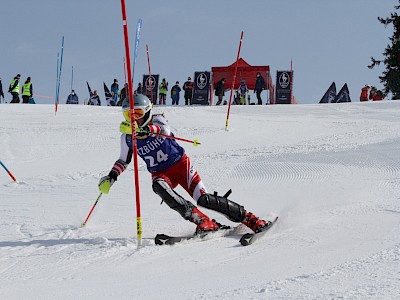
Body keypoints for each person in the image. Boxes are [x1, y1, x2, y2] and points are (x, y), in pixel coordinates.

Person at [98, 94, 273, 235]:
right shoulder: (127, 137)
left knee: (203, 199)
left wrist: (146, 130)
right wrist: (112, 176)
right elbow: (123, 160)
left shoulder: (157, 120)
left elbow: (164, 131)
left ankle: (252, 219)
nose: (133, 119)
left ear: (147, 112)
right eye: (129, 115)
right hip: (161, 173)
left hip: (180, 165)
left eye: (137, 114)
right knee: (158, 186)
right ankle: (203, 221)